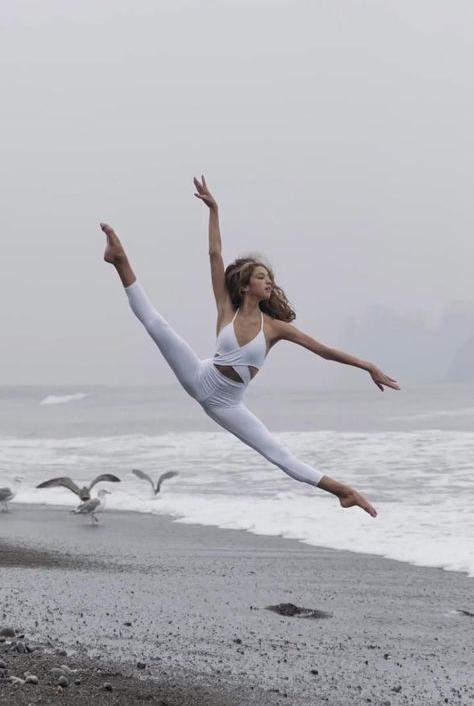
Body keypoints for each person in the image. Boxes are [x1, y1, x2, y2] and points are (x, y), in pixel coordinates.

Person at [100, 175, 399, 518]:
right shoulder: (227, 308)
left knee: (278, 454)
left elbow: (323, 351)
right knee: (157, 324)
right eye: (260, 276)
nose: (268, 280)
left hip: (228, 403)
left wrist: (367, 366)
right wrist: (214, 210)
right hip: (201, 376)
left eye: (269, 277)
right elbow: (214, 255)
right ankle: (119, 259)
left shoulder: (275, 328)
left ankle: (344, 492)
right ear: (245, 286)